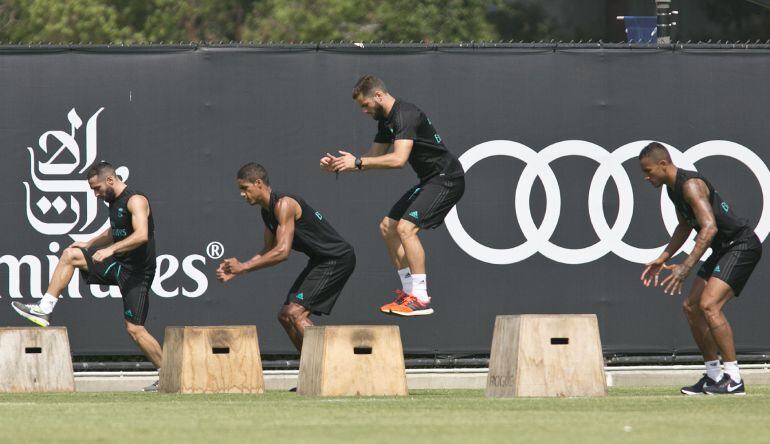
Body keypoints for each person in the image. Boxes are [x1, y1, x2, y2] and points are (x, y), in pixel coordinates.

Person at [320, 75, 465, 317]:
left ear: (378, 95)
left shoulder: (405, 115)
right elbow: (371, 158)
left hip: (447, 179)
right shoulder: (385, 122)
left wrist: (356, 162)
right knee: (388, 227)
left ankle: (420, 297)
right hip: (430, 180)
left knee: (406, 228)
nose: (364, 111)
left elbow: (398, 160)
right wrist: (340, 165)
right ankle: (409, 294)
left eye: (365, 105)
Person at [12, 161, 163, 391]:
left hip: (137, 274)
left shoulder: (136, 200)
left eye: (97, 188)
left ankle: (168, 374)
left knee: (135, 329)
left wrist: (110, 250)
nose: (95, 194)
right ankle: (45, 308)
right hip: (118, 265)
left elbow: (141, 235)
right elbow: (115, 230)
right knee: (70, 255)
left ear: (110, 180)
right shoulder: (113, 202)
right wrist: (90, 243)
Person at [639, 142, 762, 395]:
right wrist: (663, 257)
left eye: (649, 170)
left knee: (709, 305)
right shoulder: (672, 189)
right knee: (691, 307)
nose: (646, 176)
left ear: (664, 164)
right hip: (723, 249)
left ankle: (734, 378)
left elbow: (709, 227)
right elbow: (685, 226)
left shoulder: (690, 185)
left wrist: (685, 267)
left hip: (741, 244)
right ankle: (714, 375)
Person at [216, 163, 355, 351]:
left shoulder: (284, 204)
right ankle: (311, 371)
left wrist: (244, 267)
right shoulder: (267, 212)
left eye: (244, 188)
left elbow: (282, 252)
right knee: (285, 316)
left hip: (336, 259)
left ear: (258, 183)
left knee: (295, 314)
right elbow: (268, 249)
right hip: (320, 261)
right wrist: (239, 268)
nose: (242, 194)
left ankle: (330, 370)